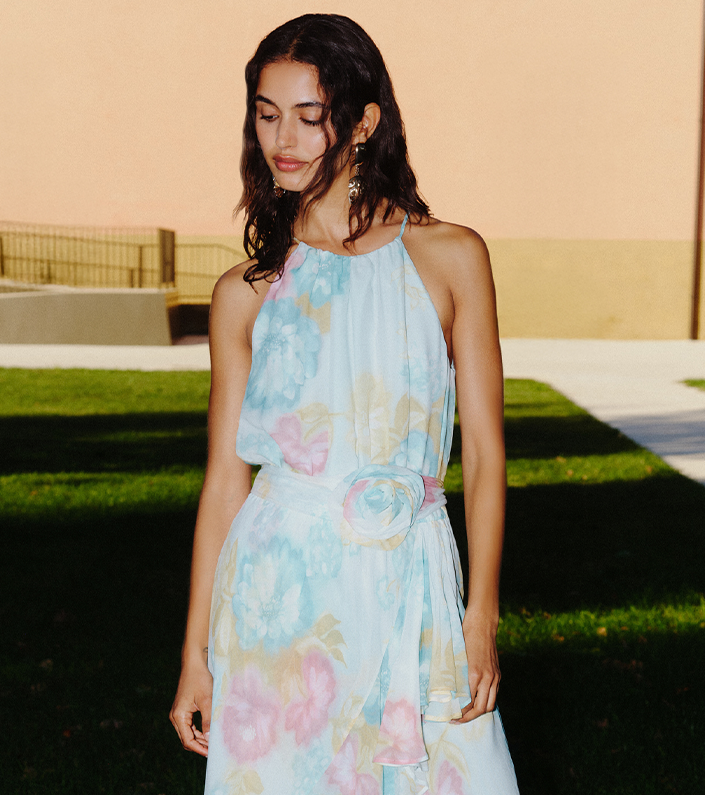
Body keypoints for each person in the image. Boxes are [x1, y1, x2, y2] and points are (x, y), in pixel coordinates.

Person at [170, 13, 519, 795]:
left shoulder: (450, 257)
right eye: (266, 114)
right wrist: (197, 653)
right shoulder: (246, 294)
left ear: (363, 123)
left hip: (412, 585)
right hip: (277, 595)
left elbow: (485, 454)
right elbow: (225, 481)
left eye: (308, 115)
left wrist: (481, 615)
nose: (282, 139)